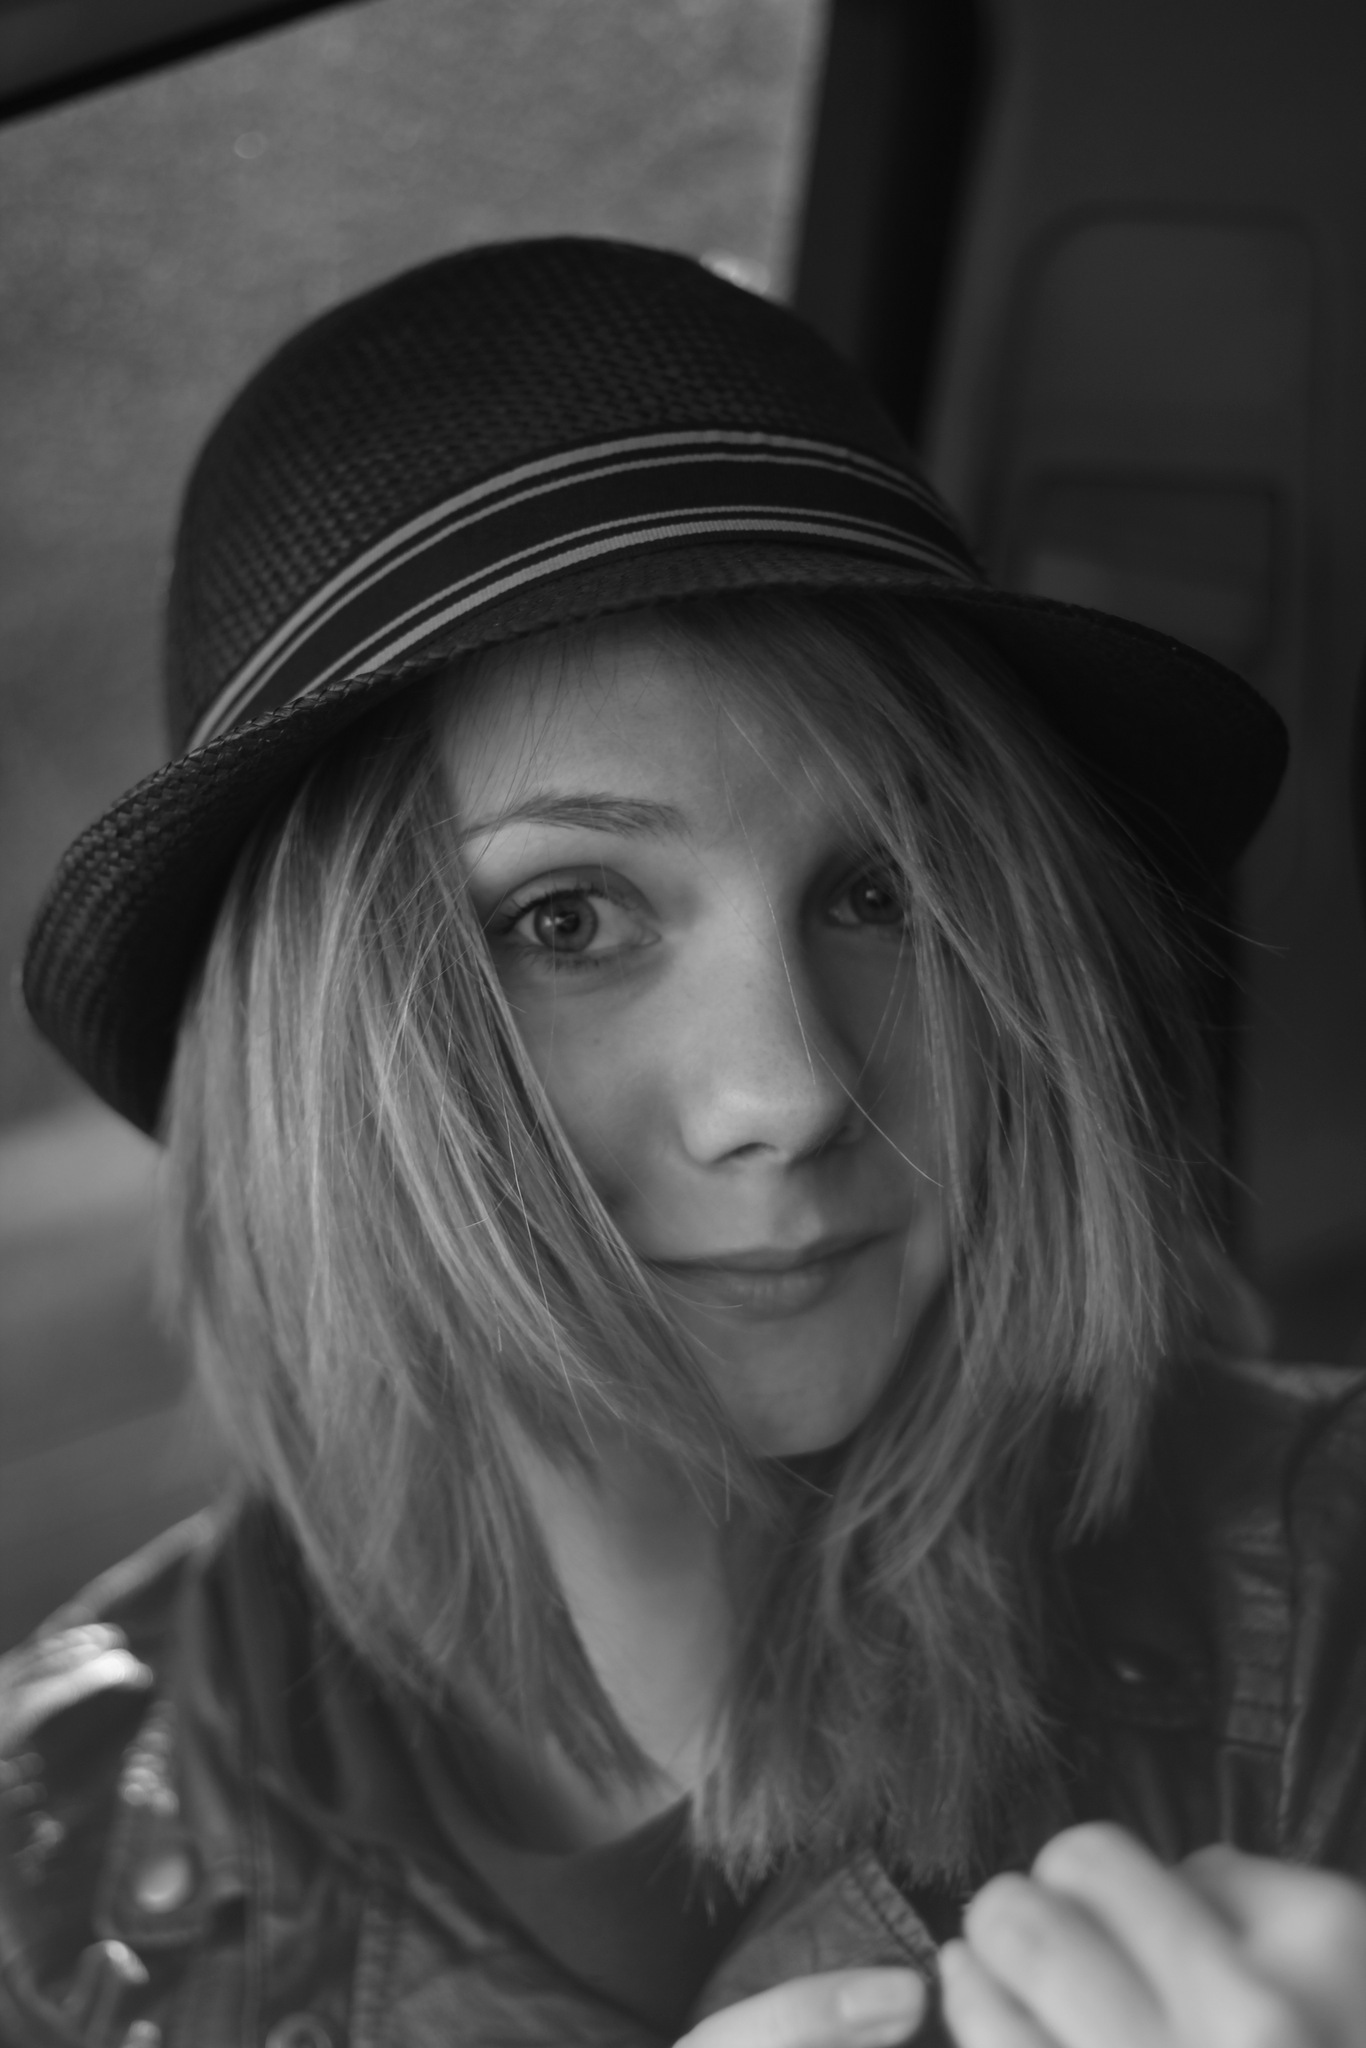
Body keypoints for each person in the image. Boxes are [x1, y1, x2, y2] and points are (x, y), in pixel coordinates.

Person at [4, 238, 1365, 2048]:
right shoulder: (51, 1876)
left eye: (882, 892)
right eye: (565, 921)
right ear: (312, 1047)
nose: (786, 1092)